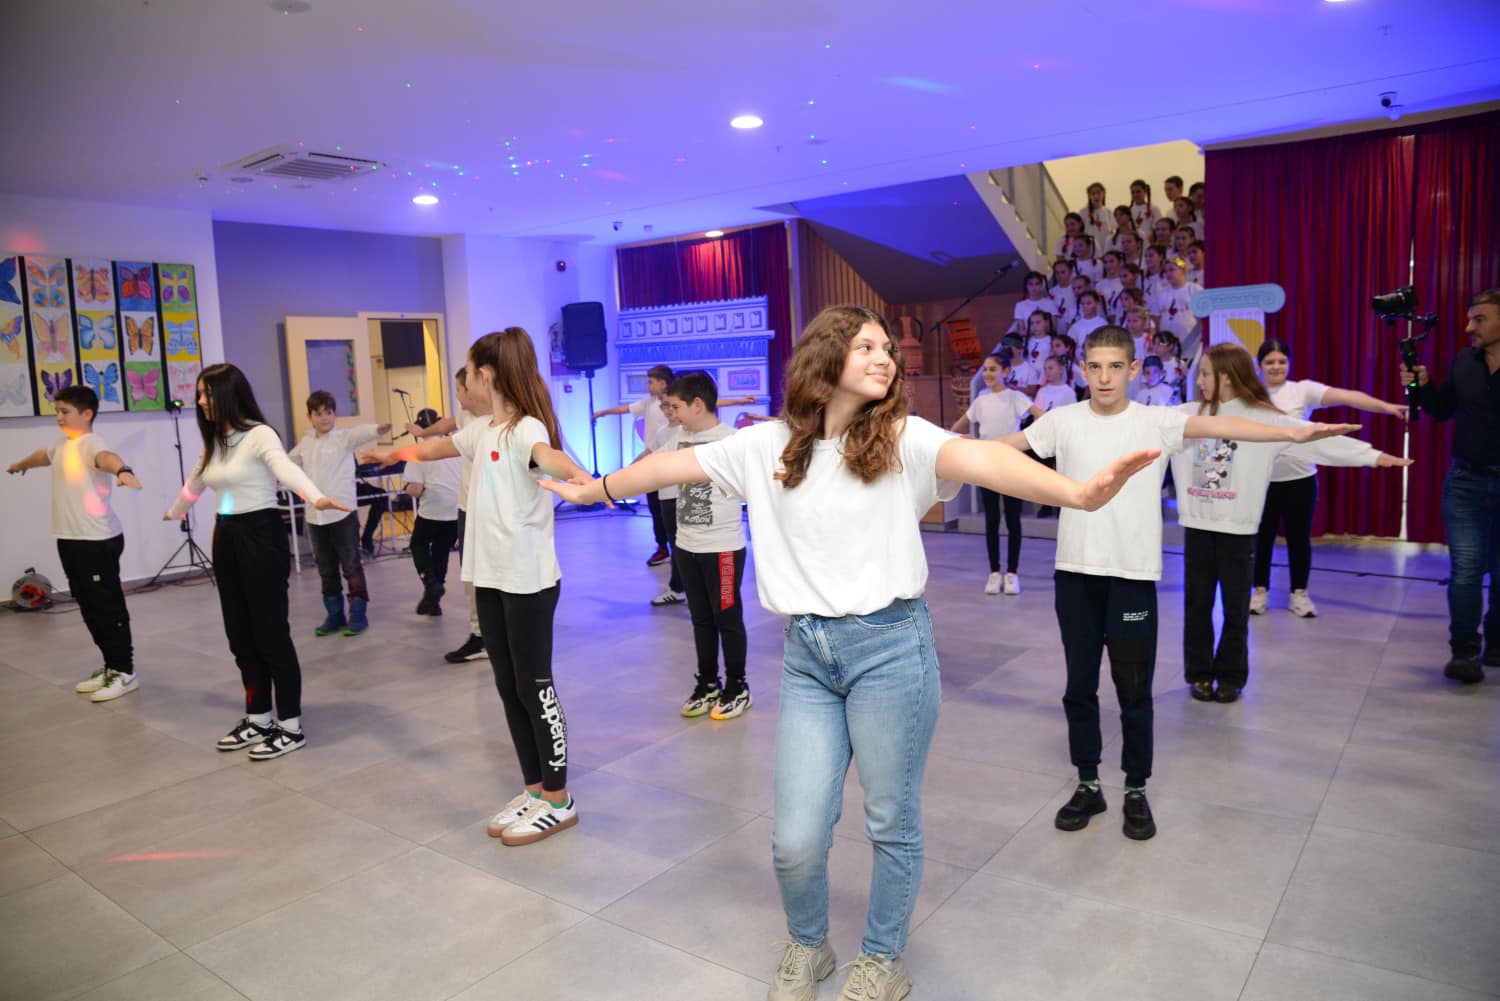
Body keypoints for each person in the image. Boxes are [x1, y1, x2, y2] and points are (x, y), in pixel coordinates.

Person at [541, 305, 1160, 1001]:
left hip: (892, 650)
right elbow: (669, 464)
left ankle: (882, 959)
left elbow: (983, 459)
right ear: (826, 355)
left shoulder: (903, 437)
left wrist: (1077, 494)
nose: (885, 356)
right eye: (866, 345)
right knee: (795, 837)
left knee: (890, 819)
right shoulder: (765, 445)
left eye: (886, 347)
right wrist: (592, 490)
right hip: (808, 655)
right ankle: (809, 944)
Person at [999, 326, 1359, 841]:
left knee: (1133, 691)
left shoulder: (1159, 421)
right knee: (1079, 687)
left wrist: (1294, 433)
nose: (1104, 377)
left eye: (1115, 366)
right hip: (1075, 577)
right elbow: (1000, 451)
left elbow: (1230, 423)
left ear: (1132, 368)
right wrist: (938, 449)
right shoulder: (1061, 421)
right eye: (1095, 367)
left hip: (1132, 579)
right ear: (1083, 369)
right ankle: (1088, 783)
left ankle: (1136, 788)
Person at [363, 328, 593, 846]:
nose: (464, 380)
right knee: (507, 686)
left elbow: (547, 456)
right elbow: (439, 447)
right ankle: (534, 790)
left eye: (467, 372)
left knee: (535, 687)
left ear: (486, 375)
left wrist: (580, 477)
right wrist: (394, 456)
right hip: (487, 576)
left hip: (527, 580)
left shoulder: (525, 427)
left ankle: (559, 800)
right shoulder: (482, 429)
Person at [1174, 344, 1408, 702]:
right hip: (1198, 526)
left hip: (1237, 529)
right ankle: (1199, 674)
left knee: (1236, 608)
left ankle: (1232, 676)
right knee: (1197, 605)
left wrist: (1371, 456)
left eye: (1205, 374)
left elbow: (1311, 440)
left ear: (1227, 377)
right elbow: (1139, 426)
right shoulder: (1186, 415)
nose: (1199, 381)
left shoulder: (1263, 418)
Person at [166, 364, 351, 760]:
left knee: (270, 634)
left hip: (261, 536)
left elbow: (285, 469)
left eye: (206, 394)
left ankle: (290, 725)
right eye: (199, 394)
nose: (200, 401)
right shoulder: (215, 440)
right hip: (226, 536)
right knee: (240, 635)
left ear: (228, 393)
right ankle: (258, 717)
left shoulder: (259, 434)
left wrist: (315, 497)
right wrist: (175, 510)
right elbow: (196, 481)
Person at [6, 385, 142, 702]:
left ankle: (125, 672)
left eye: (65, 412)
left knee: (106, 607)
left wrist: (123, 470)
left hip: (96, 541)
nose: (58, 417)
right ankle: (111, 666)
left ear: (87, 414)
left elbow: (106, 458)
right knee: (89, 607)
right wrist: (22, 464)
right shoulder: (62, 446)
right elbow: (43, 455)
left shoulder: (91, 443)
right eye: (57, 411)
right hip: (70, 539)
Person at [1254, 339, 1408, 617]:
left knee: (1298, 538)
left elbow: (1347, 396)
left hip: (1300, 481)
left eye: (1282, 361)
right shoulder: (1250, 394)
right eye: (1269, 362)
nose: (1276, 367)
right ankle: (1259, 591)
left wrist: (1385, 406)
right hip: (1260, 482)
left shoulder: (1302, 390)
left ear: (1289, 363)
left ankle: (1299, 594)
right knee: (1261, 539)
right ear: (1260, 365)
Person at [1402, 289, 1500, 684]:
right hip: (1465, 483)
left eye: (1479, 319)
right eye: (1469, 318)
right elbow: (1440, 410)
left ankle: (1496, 641)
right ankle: (1465, 652)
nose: (1468, 327)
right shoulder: (1463, 361)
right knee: (1466, 570)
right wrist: (1420, 385)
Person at [659, 371, 753, 719]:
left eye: (676, 407)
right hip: (687, 546)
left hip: (723, 549)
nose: (672, 414)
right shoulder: (679, 438)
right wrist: (603, 486)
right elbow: (651, 465)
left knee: (727, 618)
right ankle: (708, 683)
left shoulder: (732, 441)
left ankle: (738, 686)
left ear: (697, 404)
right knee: (700, 619)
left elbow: (754, 485)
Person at [287, 390, 391, 636]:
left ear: (335, 414)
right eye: (318, 413)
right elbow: (287, 466)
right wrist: (298, 489)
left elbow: (360, 433)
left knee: (351, 565)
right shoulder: (305, 444)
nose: (324, 418)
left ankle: (358, 615)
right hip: (315, 517)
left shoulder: (343, 439)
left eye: (328, 412)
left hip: (342, 515)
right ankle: (334, 616)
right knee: (326, 568)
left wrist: (378, 429)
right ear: (310, 417)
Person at [407, 369, 493, 662]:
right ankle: (481, 634)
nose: (457, 394)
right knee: (467, 573)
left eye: (459, 388)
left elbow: (436, 454)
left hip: (480, 510)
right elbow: (448, 423)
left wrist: (403, 452)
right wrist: (422, 433)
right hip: (463, 509)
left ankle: (488, 635)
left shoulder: (493, 423)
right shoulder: (465, 419)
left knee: (481, 575)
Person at [951, 352, 1032, 595]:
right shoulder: (981, 400)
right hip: (987, 464)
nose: (987, 373)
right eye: (985, 369)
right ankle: (994, 572)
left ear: (1005, 372)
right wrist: (955, 437)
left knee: (1013, 519)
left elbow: (1041, 417)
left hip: (1012, 463)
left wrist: (1026, 440)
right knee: (992, 519)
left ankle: (1012, 574)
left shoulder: (1015, 397)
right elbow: (959, 425)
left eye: (993, 369)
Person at [594, 363, 675, 566]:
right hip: (651, 462)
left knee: (671, 510)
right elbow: (625, 409)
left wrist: (738, 401)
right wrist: (604, 412)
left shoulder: (676, 403)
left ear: (663, 383)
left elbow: (711, 403)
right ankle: (662, 548)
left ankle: (679, 550)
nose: (648, 386)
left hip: (670, 464)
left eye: (651, 382)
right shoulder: (649, 403)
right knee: (656, 509)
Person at [403, 408, 462, 616]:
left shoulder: (419, 451)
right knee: (441, 549)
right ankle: (433, 601)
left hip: (433, 509)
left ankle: (430, 582)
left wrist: (406, 488)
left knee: (418, 544)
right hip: (456, 509)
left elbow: (416, 489)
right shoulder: (454, 445)